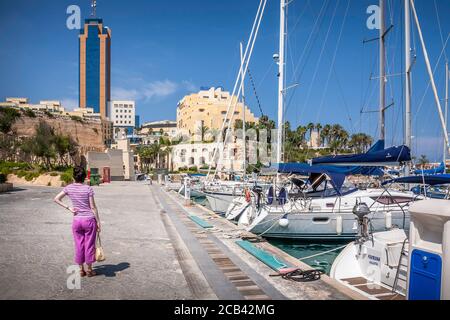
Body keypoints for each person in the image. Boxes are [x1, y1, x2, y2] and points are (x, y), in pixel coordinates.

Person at [54, 166, 101, 277]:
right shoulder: (88, 188)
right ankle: (89, 270)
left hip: (77, 220)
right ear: (84, 177)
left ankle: (81, 270)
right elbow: (93, 207)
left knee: (79, 244)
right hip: (89, 220)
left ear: (73, 176)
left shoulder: (69, 188)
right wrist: (98, 221)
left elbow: (56, 199)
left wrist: (69, 208)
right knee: (89, 244)